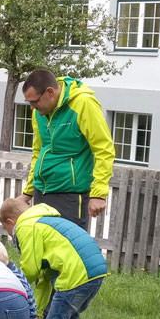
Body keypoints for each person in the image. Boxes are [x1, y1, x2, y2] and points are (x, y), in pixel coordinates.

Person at [0, 196, 107, 319]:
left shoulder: (26, 226)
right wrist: (37, 312)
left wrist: (10, 286)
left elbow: (30, 270)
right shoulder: (45, 220)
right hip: (96, 269)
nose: (11, 236)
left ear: (10, 221)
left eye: (8, 231)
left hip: (78, 272)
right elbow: (44, 278)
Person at [17, 69, 115, 229]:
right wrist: (28, 193)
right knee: (43, 247)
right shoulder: (39, 113)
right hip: (41, 192)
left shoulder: (84, 103)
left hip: (70, 195)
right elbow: (38, 153)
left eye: (34, 102)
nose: (32, 108)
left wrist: (98, 193)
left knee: (68, 249)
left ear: (49, 92)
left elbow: (104, 149)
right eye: (29, 103)